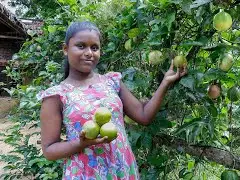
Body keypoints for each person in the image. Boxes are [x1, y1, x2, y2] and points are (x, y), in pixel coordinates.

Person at [37, 21, 187, 179]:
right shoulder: (56, 95)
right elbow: (49, 150)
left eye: (94, 47)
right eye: (81, 46)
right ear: (66, 49)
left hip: (122, 169)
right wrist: (80, 144)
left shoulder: (112, 82)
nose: (89, 53)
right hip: (85, 174)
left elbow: (144, 116)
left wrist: (165, 82)